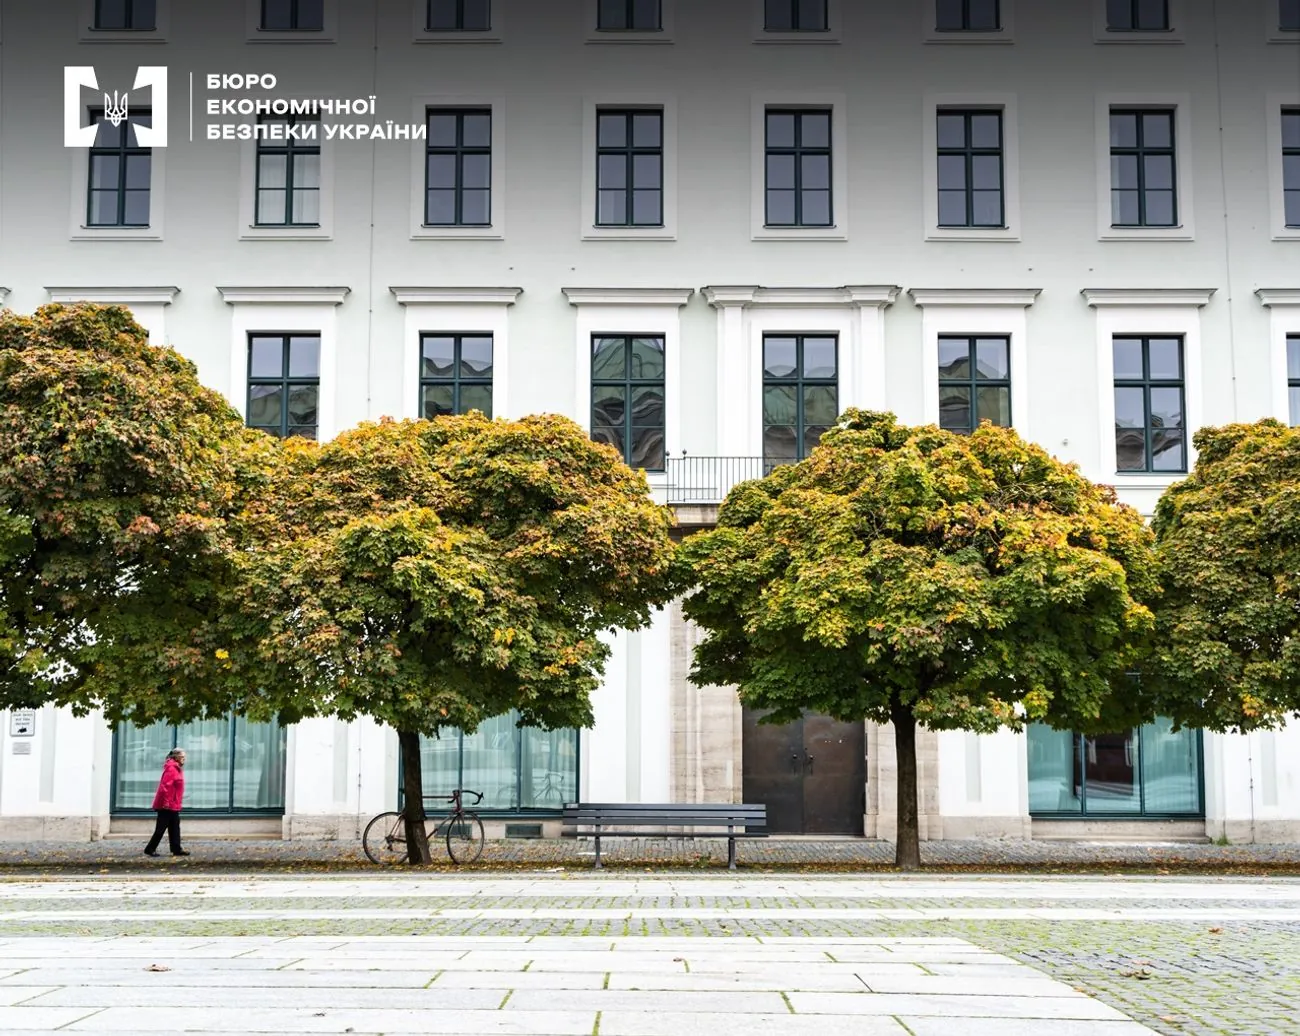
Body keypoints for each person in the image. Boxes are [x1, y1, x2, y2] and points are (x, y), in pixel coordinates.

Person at [144, 748, 190, 857]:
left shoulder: (176, 768)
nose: (184, 759)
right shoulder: (171, 768)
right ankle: (150, 849)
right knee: (161, 828)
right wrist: (166, 803)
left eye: (184, 757)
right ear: (176, 757)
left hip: (173, 804)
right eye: (182, 757)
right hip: (167, 805)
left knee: (174, 827)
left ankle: (176, 849)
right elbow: (165, 787)